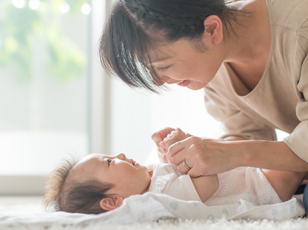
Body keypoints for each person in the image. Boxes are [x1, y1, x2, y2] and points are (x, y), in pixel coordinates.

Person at [99, 0, 308, 184]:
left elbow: (247, 151)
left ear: (211, 30)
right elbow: (249, 135)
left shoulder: (300, 29)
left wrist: (232, 153)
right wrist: (194, 150)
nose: (158, 81)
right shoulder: (213, 65)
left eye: (162, 66)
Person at [44, 128, 306, 214]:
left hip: (250, 170)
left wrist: (172, 147)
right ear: (113, 201)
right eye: (110, 162)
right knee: (295, 159)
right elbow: (208, 183)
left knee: (290, 150)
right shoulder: (161, 197)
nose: (120, 155)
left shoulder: (153, 177)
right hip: (260, 187)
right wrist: (183, 153)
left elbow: (179, 166)